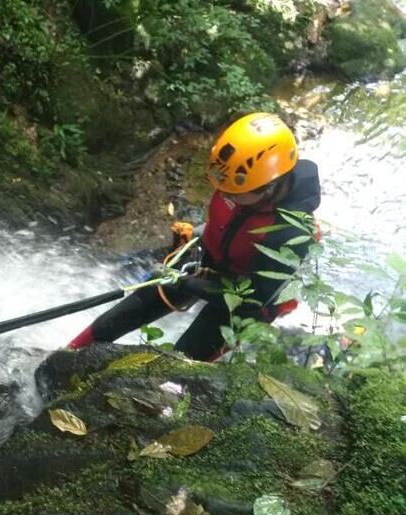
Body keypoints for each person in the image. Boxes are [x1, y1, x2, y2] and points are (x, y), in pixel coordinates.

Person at [68, 112, 321, 361]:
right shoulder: (238, 183)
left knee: (179, 361)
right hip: (207, 262)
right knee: (117, 319)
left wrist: (184, 284)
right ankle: (65, 356)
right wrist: (197, 236)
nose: (225, 195)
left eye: (234, 193)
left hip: (246, 300)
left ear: (270, 187)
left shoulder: (291, 231)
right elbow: (232, 224)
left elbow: (252, 299)